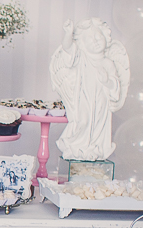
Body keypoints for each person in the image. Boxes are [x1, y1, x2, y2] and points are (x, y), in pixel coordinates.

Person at [49, 18, 130, 162]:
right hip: (83, 99)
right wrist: (68, 33)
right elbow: (67, 48)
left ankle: (95, 149)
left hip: (101, 103)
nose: (96, 40)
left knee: (98, 126)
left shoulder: (107, 63)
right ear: (82, 43)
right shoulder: (81, 57)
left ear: (105, 37)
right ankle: (76, 147)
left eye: (98, 36)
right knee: (83, 121)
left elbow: (115, 86)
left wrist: (107, 81)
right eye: (90, 39)